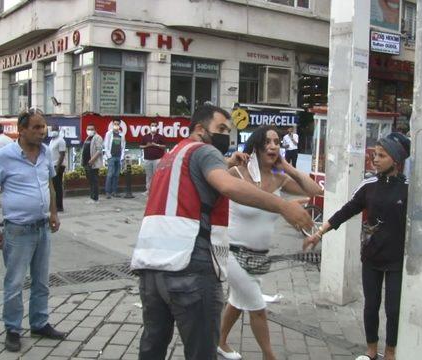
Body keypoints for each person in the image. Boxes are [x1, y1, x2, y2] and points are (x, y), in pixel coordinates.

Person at [130, 105, 313, 360]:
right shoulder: (206, 151)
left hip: (150, 268)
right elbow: (227, 186)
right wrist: (283, 206)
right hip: (189, 266)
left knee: (153, 345)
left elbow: (193, 183)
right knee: (202, 351)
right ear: (199, 129)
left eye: (229, 130)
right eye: (221, 129)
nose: (226, 135)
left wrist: (226, 162)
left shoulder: (173, 154)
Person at [217, 126, 322, 360]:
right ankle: (269, 355)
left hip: (259, 256)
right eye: (268, 141)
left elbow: (315, 190)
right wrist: (229, 160)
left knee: (237, 300)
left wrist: (286, 167)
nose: (274, 145)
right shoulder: (238, 173)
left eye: (277, 141)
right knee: (257, 307)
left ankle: (220, 341)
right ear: (256, 146)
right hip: (231, 252)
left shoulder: (279, 179)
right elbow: (211, 172)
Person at [304, 133, 411, 360]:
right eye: (374, 154)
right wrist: (319, 233)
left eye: (382, 155)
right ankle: (371, 350)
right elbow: (346, 210)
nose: (375, 159)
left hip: (397, 260)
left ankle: (391, 352)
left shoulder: (410, 188)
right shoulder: (368, 184)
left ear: (396, 159)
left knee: (394, 310)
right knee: (371, 306)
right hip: (371, 257)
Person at [0, 110, 66, 353]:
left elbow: (50, 185)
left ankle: (39, 323)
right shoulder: (4, 156)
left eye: (43, 127)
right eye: (37, 127)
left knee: (41, 281)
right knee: (15, 282)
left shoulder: (44, 153)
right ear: (22, 130)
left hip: (42, 227)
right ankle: (12, 329)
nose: (42, 131)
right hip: (17, 230)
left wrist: (53, 212)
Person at [140, 120, 166, 194]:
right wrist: (146, 146)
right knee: (149, 176)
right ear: (149, 127)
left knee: (157, 175)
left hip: (157, 159)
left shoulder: (160, 136)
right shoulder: (145, 137)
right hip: (147, 159)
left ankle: (156, 190)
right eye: (152, 125)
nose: (153, 127)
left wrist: (156, 145)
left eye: (155, 125)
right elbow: (141, 146)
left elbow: (164, 146)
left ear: (157, 127)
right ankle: (148, 190)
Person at [103, 119, 126, 199]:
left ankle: (114, 191)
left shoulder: (122, 134)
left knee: (116, 175)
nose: (116, 125)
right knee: (110, 174)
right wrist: (109, 156)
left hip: (119, 157)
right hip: (111, 157)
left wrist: (122, 157)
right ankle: (107, 192)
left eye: (118, 124)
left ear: (120, 125)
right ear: (112, 124)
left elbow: (123, 146)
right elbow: (106, 145)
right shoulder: (109, 133)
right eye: (115, 124)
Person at [82, 124, 103, 203]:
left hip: (93, 163)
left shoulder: (98, 137)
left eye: (91, 129)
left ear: (95, 130)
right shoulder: (88, 138)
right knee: (90, 181)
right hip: (86, 163)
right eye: (88, 129)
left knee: (94, 181)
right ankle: (92, 197)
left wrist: (92, 160)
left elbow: (99, 150)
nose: (89, 130)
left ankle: (95, 198)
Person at [49, 125, 66, 212]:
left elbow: (62, 154)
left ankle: (59, 206)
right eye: (52, 129)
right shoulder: (52, 140)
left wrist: (57, 168)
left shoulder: (61, 140)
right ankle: (54, 205)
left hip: (58, 166)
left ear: (58, 130)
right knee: (54, 186)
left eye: (55, 129)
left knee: (58, 186)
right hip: (52, 165)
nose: (53, 131)